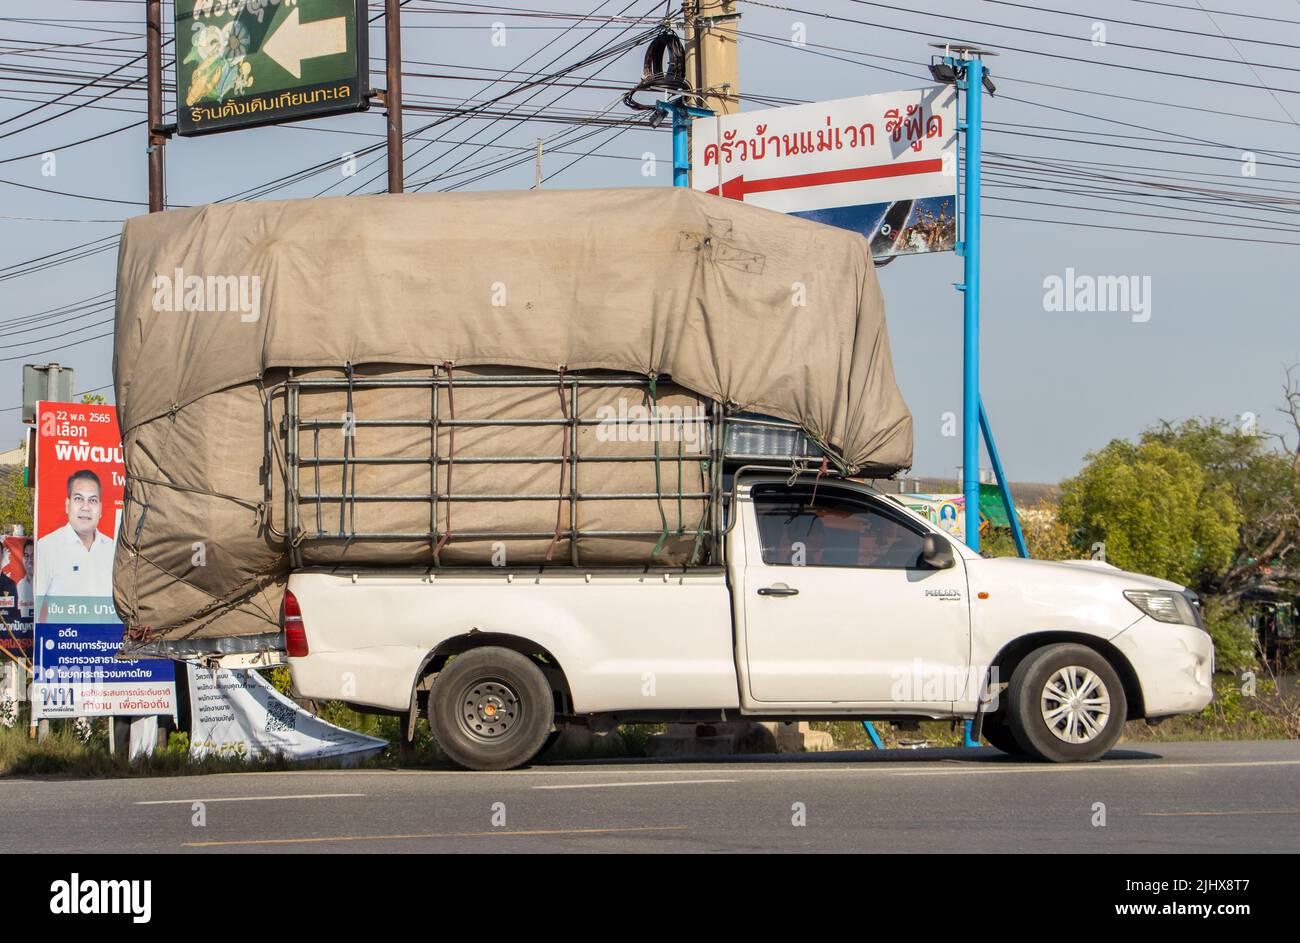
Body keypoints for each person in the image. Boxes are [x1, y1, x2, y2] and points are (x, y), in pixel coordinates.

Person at [35, 469, 116, 600]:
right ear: (67, 505)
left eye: (93, 500)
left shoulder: (113, 548)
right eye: (79, 499)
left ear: (100, 508)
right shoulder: (47, 546)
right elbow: (36, 604)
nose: (86, 507)